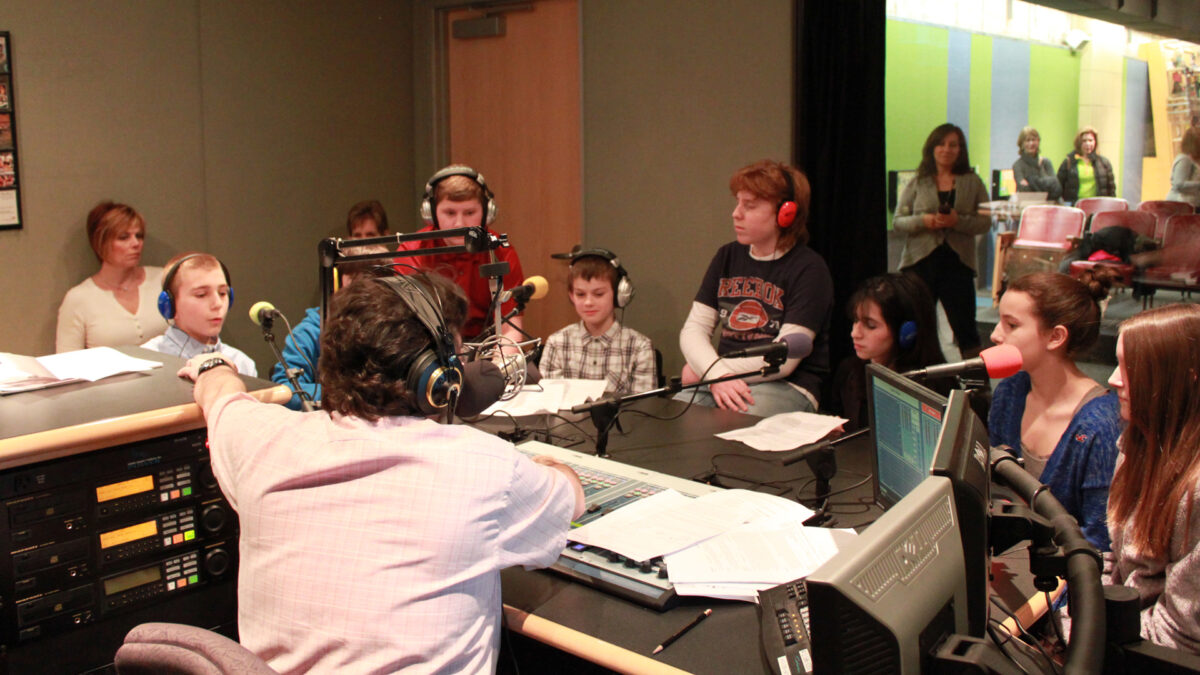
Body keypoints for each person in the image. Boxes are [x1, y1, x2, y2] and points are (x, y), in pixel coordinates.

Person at [176, 271, 585, 673]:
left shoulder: (259, 441)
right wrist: (548, 465)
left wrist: (214, 364)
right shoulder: (488, 469)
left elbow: (220, 396)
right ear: (435, 378)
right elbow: (571, 498)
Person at [679, 160, 833, 416]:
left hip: (786, 385)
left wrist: (708, 371)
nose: (736, 213)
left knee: (734, 424)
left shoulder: (809, 269)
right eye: (738, 202)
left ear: (786, 213)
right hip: (723, 377)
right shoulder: (727, 256)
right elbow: (694, 329)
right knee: (676, 416)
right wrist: (715, 374)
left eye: (749, 206)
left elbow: (783, 361)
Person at [988, 270, 1120, 551]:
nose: (995, 334)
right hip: (1013, 558)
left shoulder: (1099, 426)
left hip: (1063, 579)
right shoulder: (1010, 392)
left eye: (1011, 325)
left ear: (1056, 336)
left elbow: (1098, 541)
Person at [1105, 303, 1200, 653]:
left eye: (1130, 367)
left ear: (1183, 377)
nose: (1113, 378)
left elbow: (1181, 634)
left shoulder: (1196, 490)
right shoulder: (1137, 444)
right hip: (1128, 630)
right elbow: (1117, 561)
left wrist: (1084, 630)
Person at [893, 123, 991, 356]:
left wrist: (958, 221)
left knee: (966, 329)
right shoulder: (918, 181)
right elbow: (898, 222)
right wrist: (924, 221)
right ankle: (915, 384)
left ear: (961, 150)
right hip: (919, 263)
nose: (947, 149)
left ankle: (977, 389)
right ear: (932, 148)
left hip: (958, 265)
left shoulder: (973, 182)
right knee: (914, 327)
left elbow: (985, 222)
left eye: (953, 145)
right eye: (941, 143)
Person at [397, 165, 526, 341]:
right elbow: (403, 324)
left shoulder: (500, 250)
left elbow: (510, 328)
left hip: (487, 347)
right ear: (431, 214)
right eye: (450, 213)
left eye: (470, 212)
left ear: (486, 214)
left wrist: (501, 364)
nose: (459, 223)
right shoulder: (411, 251)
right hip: (428, 346)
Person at [270, 244, 388, 409]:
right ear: (338, 282)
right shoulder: (308, 333)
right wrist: (344, 395)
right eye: (359, 281)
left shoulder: (388, 331)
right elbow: (284, 389)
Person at [829, 273, 946, 431]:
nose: (855, 333)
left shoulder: (936, 390)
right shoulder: (849, 373)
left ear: (907, 333)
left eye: (870, 325)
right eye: (855, 321)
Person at [541, 248, 655, 396]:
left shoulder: (639, 347)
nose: (588, 302)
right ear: (571, 296)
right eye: (580, 294)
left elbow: (643, 409)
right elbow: (550, 403)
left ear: (619, 294)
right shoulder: (557, 343)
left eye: (599, 294)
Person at [56, 201, 168, 352]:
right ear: (100, 243)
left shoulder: (163, 280)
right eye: (123, 237)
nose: (136, 243)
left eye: (139, 236)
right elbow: (66, 363)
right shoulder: (78, 299)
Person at [141, 252, 256, 376]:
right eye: (201, 295)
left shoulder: (242, 363)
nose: (217, 304)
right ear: (170, 305)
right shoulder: (145, 361)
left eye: (222, 293)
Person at [1057, 126, 1116, 205]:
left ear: (1095, 142)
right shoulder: (1069, 162)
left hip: (1097, 207)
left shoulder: (1104, 163)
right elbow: (1058, 186)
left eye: (1090, 140)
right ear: (1079, 142)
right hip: (1075, 207)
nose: (1088, 144)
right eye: (1084, 141)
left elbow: (1111, 190)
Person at [1011, 126, 1062, 201]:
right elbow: (1025, 190)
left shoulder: (1046, 162)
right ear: (1022, 144)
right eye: (1027, 140)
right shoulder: (1017, 165)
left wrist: (1030, 180)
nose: (1031, 143)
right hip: (1027, 206)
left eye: (1033, 140)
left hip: (1049, 205)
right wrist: (1046, 186)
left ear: (1038, 142)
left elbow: (1056, 188)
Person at [1164, 126, 1200, 208]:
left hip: (1194, 204)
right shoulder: (1184, 160)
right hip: (1182, 205)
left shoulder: (1195, 160)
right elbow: (1179, 184)